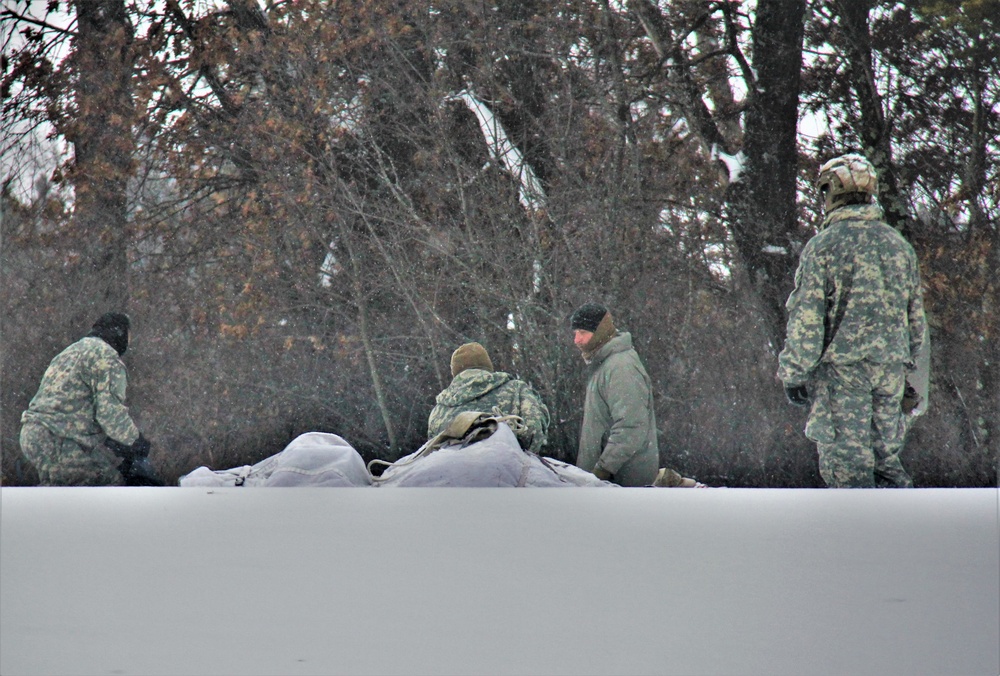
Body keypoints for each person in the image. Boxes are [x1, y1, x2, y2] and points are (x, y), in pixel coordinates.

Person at [777, 153, 927, 488]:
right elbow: (916, 320)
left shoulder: (824, 247)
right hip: (891, 373)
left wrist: (794, 373)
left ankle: (856, 537)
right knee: (887, 464)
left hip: (845, 374)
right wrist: (911, 375)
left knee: (848, 469)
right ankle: (899, 535)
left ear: (830, 192)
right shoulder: (898, 246)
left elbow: (808, 321)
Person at [19, 312, 162, 486]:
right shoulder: (106, 357)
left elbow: (72, 403)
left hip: (34, 434)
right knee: (107, 485)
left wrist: (108, 440)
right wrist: (134, 441)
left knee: (62, 488)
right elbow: (110, 412)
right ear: (120, 333)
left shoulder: (71, 352)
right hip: (58, 437)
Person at [570, 302, 661, 487]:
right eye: (575, 333)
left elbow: (632, 426)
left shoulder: (621, 367)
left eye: (582, 333)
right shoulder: (605, 364)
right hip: (609, 486)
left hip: (624, 486)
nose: (576, 340)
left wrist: (602, 470)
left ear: (600, 332)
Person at [427, 342, 550, 454]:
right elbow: (534, 431)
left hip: (453, 475)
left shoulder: (440, 408)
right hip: (505, 471)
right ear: (487, 365)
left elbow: (432, 449)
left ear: (455, 371)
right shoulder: (517, 390)